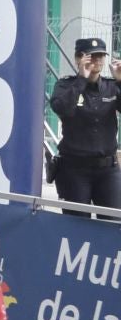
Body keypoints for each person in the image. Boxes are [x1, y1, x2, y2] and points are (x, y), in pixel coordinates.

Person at [49, 37, 120, 208]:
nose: (97, 60)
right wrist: (81, 79)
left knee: (112, 224)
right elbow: (63, 109)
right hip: (74, 169)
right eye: (91, 56)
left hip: (107, 170)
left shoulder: (112, 87)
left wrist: (120, 81)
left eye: (101, 56)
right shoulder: (65, 86)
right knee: (77, 224)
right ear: (78, 58)